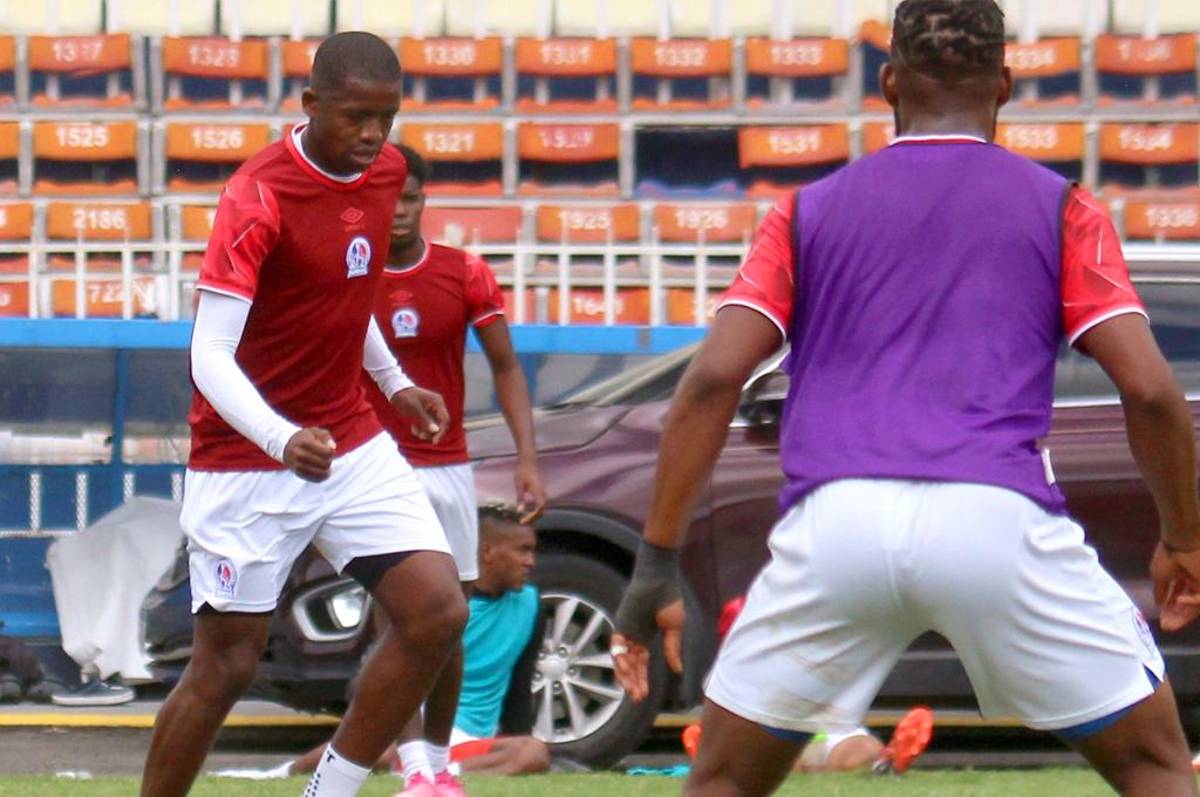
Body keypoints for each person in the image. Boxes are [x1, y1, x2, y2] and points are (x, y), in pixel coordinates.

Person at [611, 2, 1200, 796]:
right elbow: (1153, 391)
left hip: (836, 523)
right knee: (1156, 764)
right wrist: (1183, 540)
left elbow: (712, 380)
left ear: (888, 84)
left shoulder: (803, 212)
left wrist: (655, 566)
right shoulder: (1065, 209)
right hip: (995, 518)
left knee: (722, 778)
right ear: (1007, 84)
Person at [141, 32, 468, 797]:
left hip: (349, 438)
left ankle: (332, 788)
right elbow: (210, 355)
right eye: (355, 117)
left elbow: (345, 299)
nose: (372, 136)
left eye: (386, 118)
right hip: (246, 459)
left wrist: (392, 384)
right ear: (311, 104)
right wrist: (280, 437)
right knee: (224, 668)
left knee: (435, 611)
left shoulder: (384, 171)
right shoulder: (257, 196)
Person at [371, 143, 545, 797]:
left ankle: (440, 765)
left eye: (409, 196)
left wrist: (527, 457)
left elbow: (505, 364)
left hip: (444, 467)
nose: (398, 209)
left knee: (448, 619)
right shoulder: (347, 275)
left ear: (423, 198)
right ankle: (415, 766)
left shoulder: (464, 271)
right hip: (370, 469)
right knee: (393, 619)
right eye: (386, 195)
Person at [221, 502, 550, 782]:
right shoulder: (441, 605)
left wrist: (519, 737)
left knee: (532, 752)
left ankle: (439, 771)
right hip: (416, 732)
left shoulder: (530, 605)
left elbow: (519, 686)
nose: (530, 562)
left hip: (473, 742)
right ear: (488, 552)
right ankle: (282, 773)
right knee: (375, 744)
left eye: (532, 552)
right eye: (523, 551)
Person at [680, 597, 933, 776]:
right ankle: (719, 762)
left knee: (860, 751)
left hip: (833, 735)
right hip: (781, 744)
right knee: (770, 760)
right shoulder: (732, 679)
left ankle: (886, 761)